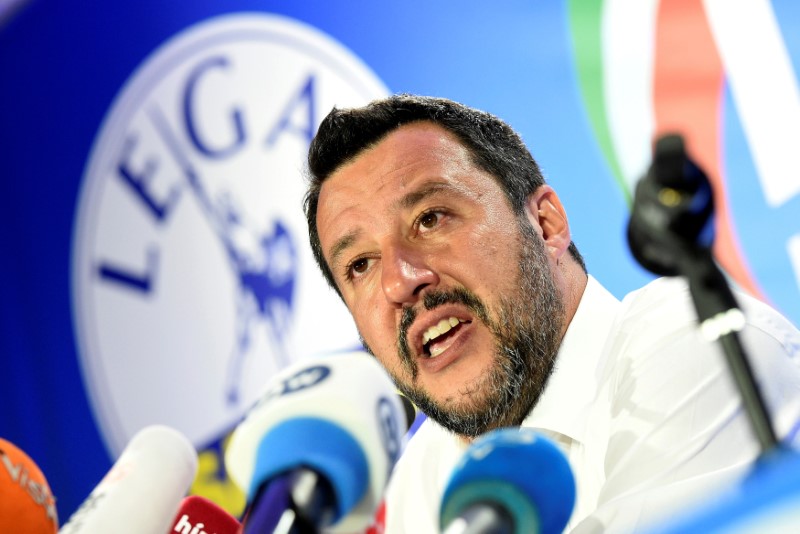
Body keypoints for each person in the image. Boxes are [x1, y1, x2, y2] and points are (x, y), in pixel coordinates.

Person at [303, 94, 800, 533]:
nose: (399, 281)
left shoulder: (697, 341)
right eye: (360, 265)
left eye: (429, 219)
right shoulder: (422, 476)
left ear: (545, 224)